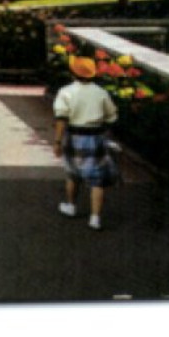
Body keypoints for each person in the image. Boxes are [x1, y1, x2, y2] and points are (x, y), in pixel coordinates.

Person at [52, 56, 119, 230]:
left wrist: (57, 142)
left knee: (73, 172)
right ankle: (95, 217)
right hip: (96, 136)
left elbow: (61, 119)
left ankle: (71, 206)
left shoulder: (66, 91)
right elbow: (112, 116)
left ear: (73, 73)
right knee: (97, 179)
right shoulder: (100, 92)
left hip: (74, 135)